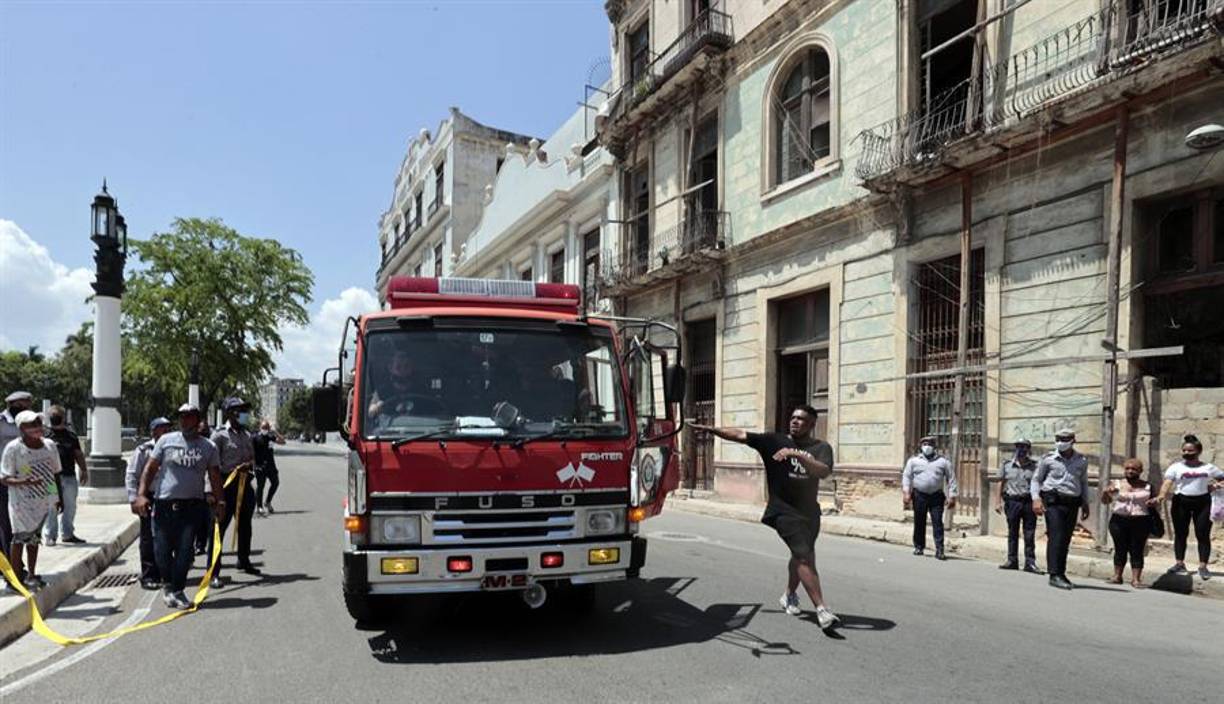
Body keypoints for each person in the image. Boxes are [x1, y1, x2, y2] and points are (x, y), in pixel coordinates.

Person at [691, 406, 840, 629]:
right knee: (803, 556)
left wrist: (796, 454)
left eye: (801, 420)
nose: (795, 422)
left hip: (809, 512)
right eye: (793, 417)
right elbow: (741, 435)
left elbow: (823, 472)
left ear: (811, 425)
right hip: (782, 511)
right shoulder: (774, 441)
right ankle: (822, 610)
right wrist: (713, 430)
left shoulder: (821, 447)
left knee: (803, 555)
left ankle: (789, 595)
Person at [132, 404, 224, 610]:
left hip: (192, 507)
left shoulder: (208, 447)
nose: (185, 421)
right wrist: (140, 495)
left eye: (189, 417)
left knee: (185, 552)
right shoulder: (166, 441)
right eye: (182, 417)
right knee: (161, 550)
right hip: (164, 505)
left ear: (198, 419)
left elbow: (215, 476)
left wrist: (220, 502)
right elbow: (150, 468)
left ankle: (178, 590)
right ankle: (168, 586)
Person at [1, 410, 60, 591]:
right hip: (20, 503)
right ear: (22, 428)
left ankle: (33, 575)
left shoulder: (49, 446)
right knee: (19, 539)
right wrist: (24, 482)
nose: (36, 428)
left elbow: (54, 474)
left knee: (34, 539)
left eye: (38, 423)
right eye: (31, 425)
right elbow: (4, 478)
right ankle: (16, 580)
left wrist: (57, 498)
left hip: (42, 503)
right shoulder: (14, 449)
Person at [1156, 434, 1224, 581]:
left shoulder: (1208, 467)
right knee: (1180, 533)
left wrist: (1215, 486)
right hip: (1181, 502)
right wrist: (1161, 495)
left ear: (1198, 452)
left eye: (1190, 451)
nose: (1186, 453)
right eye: (1184, 451)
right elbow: (1168, 482)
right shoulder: (1176, 467)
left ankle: (1203, 566)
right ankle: (1179, 563)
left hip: (1203, 502)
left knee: (1203, 534)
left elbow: (1221, 478)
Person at [210, 397, 260, 587]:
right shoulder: (219, 436)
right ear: (230, 413)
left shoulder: (246, 435)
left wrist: (249, 465)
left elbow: (251, 457)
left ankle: (244, 560)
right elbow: (212, 465)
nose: (245, 414)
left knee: (245, 526)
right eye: (240, 410)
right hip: (225, 487)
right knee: (219, 530)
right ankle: (214, 571)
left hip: (245, 485)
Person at [1031, 428, 1090, 590]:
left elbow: (1083, 482)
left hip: (1072, 503)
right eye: (1059, 439)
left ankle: (1060, 572)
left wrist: (1085, 502)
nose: (1061, 442)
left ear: (1073, 440)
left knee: (1065, 539)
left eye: (1065, 439)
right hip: (1053, 502)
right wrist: (1036, 499)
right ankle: (1055, 574)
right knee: (1056, 536)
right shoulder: (1048, 459)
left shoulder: (1082, 460)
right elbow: (1036, 480)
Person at [126, 417, 172, 590]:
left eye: (168, 428)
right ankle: (148, 575)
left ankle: (165, 572)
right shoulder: (144, 450)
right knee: (148, 537)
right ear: (153, 431)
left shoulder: (173, 448)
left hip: (168, 497)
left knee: (167, 537)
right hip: (149, 497)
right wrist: (134, 498)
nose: (167, 432)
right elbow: (131, 475)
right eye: (163, 428)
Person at [1101, 458, 1157, 588]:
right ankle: (1117, 576)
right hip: (1119, 520)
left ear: (1140, 471)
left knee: (1137, 549)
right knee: (1120, 548)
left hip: (1141, 520)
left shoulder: (1148, 486)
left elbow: (1155, 501)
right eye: (1128, 468)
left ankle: (1136, 579)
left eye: (1134, 469)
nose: (1130, 471)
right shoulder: (1116, 484)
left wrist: (1153, 502)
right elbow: (1105, 501)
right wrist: (1106, 492)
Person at [901, 435, 958, 560]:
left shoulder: (943, 462)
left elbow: (951, 479)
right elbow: (907, 477)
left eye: (930, 444)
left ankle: (939, 549)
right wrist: (906, 492)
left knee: (937, 522)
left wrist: (952, 496)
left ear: (935, 447)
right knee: (919, 521)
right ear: (921, 446)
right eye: (925, 444)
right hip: (919, 495)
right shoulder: (913, 461)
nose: (927, 447)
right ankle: (919, 546)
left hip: (936, 496)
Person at [43, 406, 88, 546]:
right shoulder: (45, 436)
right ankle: (50, 535)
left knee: (70, 506)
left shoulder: (71, 436)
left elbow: (78, 454)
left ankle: (68, 534)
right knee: (52, 506)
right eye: (53, 416)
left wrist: (84, 470)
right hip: (50, 480)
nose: (55, 418)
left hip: (68, 477)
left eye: (58, 415)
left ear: (63, 417)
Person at [996, 438, 1039, 573]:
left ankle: (1030, 563)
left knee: (1029, 533)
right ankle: (1012, 560)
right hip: (1013, 501)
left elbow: (1039, 483)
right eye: (1019, 446)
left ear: (1029, 449)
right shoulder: (1007, 465)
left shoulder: (1034, 466)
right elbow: (1000, 483)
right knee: (1012, 532)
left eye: (1025, 447)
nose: (1022, 449)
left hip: (1028, 502)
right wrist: (997, 501)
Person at [0, 391, 34, 560]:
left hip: (25, 479)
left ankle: (11, 564)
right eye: (24, 405)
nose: (27, 408)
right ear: (15, 404)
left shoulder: (28, 424)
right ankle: (13, 566)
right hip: (5, 479)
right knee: (7, 523)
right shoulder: (1, 422)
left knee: (21, 524)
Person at [253, 421, 285, 517]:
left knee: (275, 483)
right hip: (260, 466)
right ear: (260, 427)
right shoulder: (255, 438)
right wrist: (254, 466)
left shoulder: (270, 437)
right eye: (263, 428)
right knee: (260, 486)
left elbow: (283, 442)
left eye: (267, 428)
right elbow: (251, 452)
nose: (265, 430)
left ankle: (267, 501)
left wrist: (275, 432)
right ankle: (259, 507)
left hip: (271, 466)